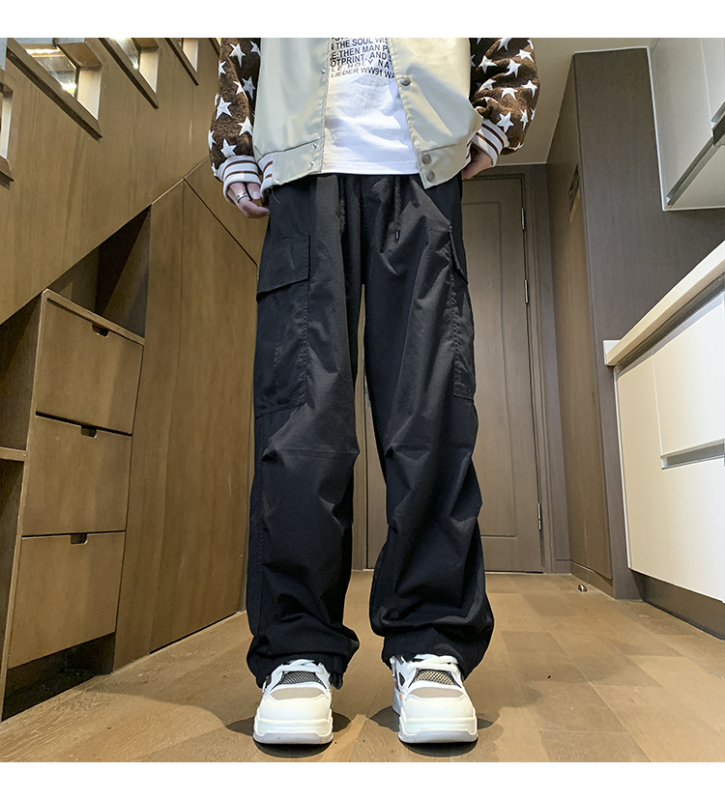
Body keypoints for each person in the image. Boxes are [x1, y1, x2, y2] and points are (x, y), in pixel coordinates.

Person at [209, 37, 538, 746]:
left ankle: (431, 642)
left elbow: (506, 37)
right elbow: (241, 38)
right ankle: (296, 649)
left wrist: (497, 121)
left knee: (431, 414)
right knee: (300, 423)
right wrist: (234, 145)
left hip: (421, 174)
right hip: (302, 173)